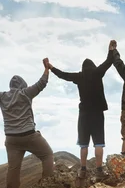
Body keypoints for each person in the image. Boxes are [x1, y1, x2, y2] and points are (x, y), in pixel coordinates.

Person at [0, 58, 54, 188]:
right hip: (29, 136)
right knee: (47, 155)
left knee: (13, 168)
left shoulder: (2, 97)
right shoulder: (26, 93)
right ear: (23, 85)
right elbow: (42, 83)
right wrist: (47, 69)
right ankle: (47, 186)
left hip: (11, 139)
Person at [48, 41, 116, 180]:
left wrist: (51, 67)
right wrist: (111, 50)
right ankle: (99, 170)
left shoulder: (79, 76)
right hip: (97, 113)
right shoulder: (97, 73)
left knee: (83, 144)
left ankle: (83, 170)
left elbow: (63, 75)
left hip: (84, 114)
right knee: (99, 143)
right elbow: (109, 62)